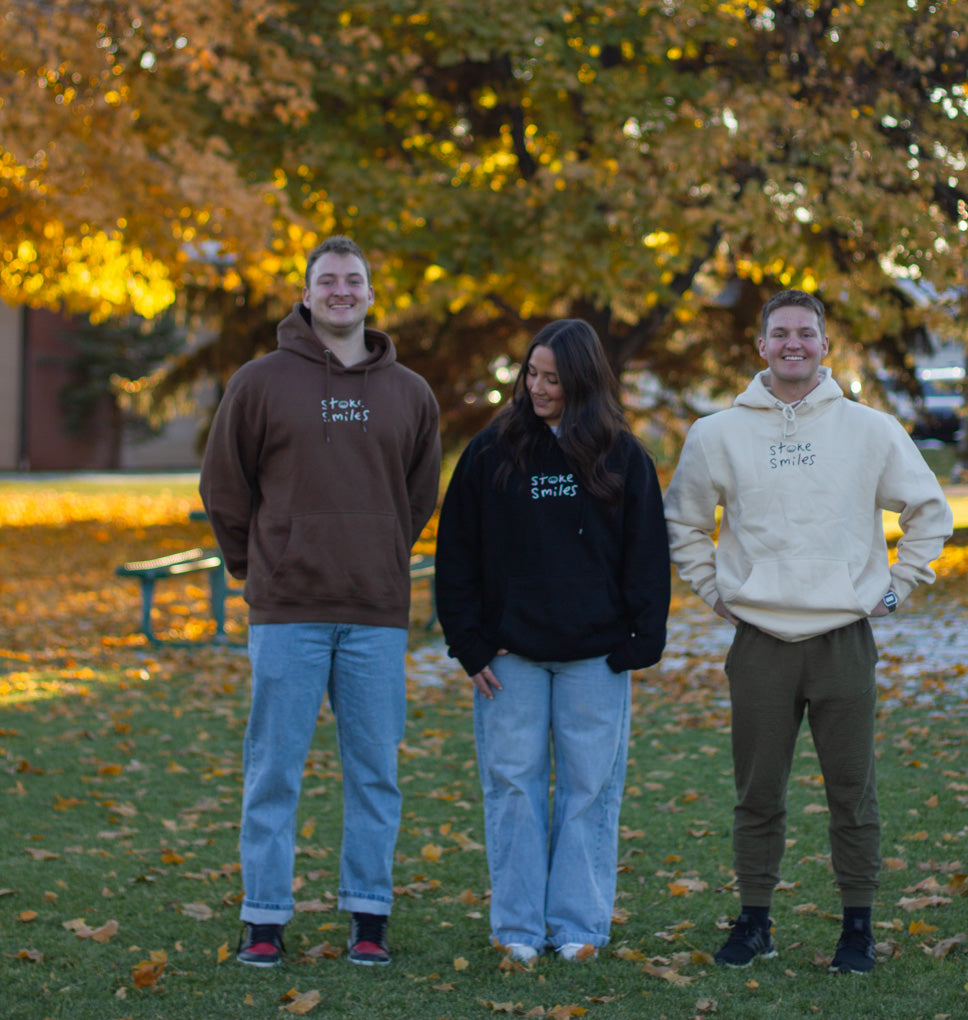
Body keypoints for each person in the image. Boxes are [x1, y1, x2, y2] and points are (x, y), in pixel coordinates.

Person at [664, 288, 953, 975]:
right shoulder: (717, 433)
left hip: (842, 640)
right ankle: (755, 920)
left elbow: (929, 511)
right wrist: (713, 590)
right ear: (760, 347)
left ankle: (857, 927)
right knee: (757, 794)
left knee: (852, 792)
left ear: (825, 346)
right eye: (780, 333)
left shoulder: (869, 429)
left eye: (806, 333)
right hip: (760, 640)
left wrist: (897, 584)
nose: (793, 343)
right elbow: (683, 521)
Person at [200, 234, 440, 969]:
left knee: (375, 770)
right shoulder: (261, 381)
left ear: (371, 294)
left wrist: (377, 554)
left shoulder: (410, 393)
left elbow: (419, 496)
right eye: (328, 281)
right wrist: (258, 568)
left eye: (354, 280)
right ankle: (264, 917)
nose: (342, 291)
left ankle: (369, 916)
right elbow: (224, 486)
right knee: (274, 768)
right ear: (306, 295)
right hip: (288, 610)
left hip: (373, 613)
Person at [434, 318, 670, 964]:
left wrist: (636, 646)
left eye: (553, 380)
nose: (538, 388)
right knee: (512, 786)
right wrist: (469, 645)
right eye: (531, 375)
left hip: (596, 657)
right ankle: (517, 927)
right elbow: (455, 552)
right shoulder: (492, 451)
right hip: (509, 658)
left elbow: (647, 555)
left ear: (584, 383)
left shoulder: (622, 456)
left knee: (590, 790)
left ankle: (578, 927)